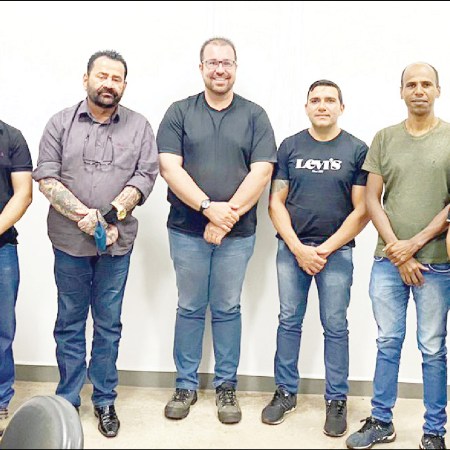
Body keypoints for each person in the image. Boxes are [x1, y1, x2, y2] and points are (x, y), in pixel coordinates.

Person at [32, 50, 158, 438]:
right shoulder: (60, 123)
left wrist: (110, 216)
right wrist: (84, 217)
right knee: (69, 322)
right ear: (85, 78)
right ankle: (68, 400)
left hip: (116, 246)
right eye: (102, 75)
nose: (108, 83)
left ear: (124, 85)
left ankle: (104, 399)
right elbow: (47, 178)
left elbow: (145, 176)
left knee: (108, 324)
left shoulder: (139, 126)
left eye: (116, 78)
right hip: (68, 243)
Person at [157, 37, 277, 424]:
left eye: (226, 62)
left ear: (235, 68)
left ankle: (226, 387)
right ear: (201, 68)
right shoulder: (179, 112)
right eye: (212, 63)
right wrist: (209, 208)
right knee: (190, 307)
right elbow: (169, 168)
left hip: (237, 235)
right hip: (186, 230)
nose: (219, 69)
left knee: (227, 308)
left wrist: (227, 218)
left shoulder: (255, 115)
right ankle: (185, 385)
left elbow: (262, 171)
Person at [346, 62, 450, 450]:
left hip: (437, 262)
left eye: (426, 84)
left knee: (433, 348)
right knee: (388, 341)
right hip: (388, 262)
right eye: (411, 84)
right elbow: (372, 198)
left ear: (438, 90)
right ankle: (381, 421)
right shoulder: (385, 138)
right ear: (401, 92)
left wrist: (415, 243)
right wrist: (398, 250)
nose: (418, 90)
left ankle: (434, 430)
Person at [262, 80, 369, 437]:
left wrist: (324, 249)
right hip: (292, 250)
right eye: (315, 100)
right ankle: (285, 393)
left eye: (330, 100)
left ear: (341, 107)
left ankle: (336, 400)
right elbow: (276, 202)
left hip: (336, 254)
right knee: (289, 321)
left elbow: (362, 210)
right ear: (306, 107)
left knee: (335, 326)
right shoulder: (290, 146)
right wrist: (298, 248)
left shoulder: (357, 149)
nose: (322, 105)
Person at [0, 121, 33, 428]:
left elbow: (23, 194)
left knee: (1, 329)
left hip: (1, 247)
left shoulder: (11, 137)